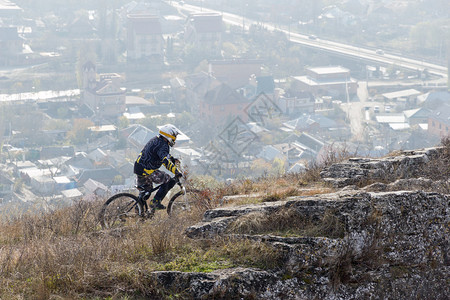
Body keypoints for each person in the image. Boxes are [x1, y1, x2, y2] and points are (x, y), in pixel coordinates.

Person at [134, 124, 182, 210]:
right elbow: (165, 161)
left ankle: (140, 213)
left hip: (139, 167)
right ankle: (155, 202)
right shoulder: (163, 145)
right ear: (169, 135)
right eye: (174, 136)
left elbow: (164, 155)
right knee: (167, 179)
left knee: (145, 193)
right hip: (146, 170)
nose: (175, 138)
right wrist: (176, 171)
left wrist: (172, 159)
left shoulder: (157, 140)